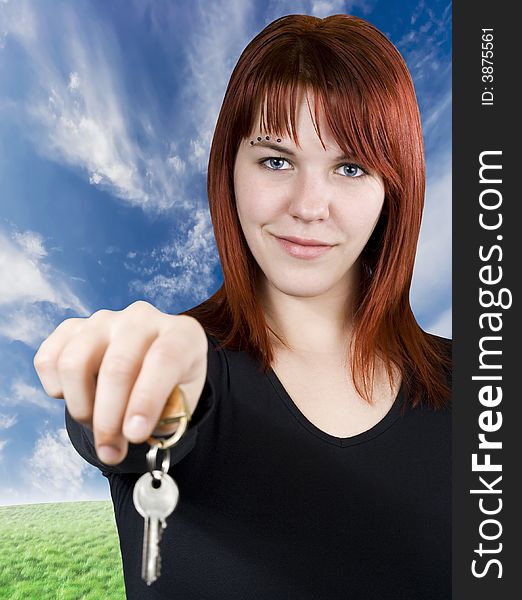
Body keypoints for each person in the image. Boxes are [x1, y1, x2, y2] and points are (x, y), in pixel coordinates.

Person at [33, 13, 452, 600]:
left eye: (350, 167)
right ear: (228, 169)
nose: (309, 206)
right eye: (276, 160)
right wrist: (147, 370)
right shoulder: (186, 366)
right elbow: (148, 416)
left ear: (396, 188)